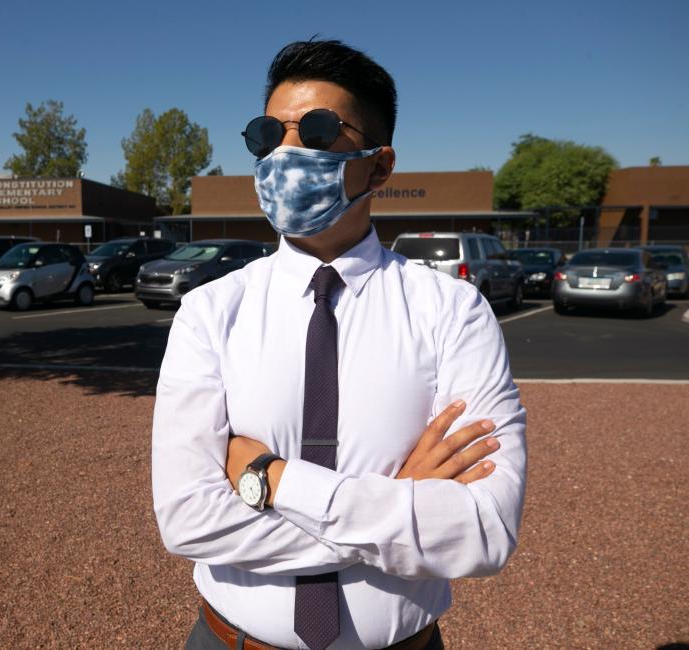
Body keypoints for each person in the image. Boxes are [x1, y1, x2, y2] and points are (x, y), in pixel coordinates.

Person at [152, 39, 527, 650]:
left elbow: (483, 531)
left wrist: (271, 480)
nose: (286, 152)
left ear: (380, 166)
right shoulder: (209, 312)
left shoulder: (453, 311)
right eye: (267, 133)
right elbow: (188, 521)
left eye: (320, 130)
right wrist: (402, 506)